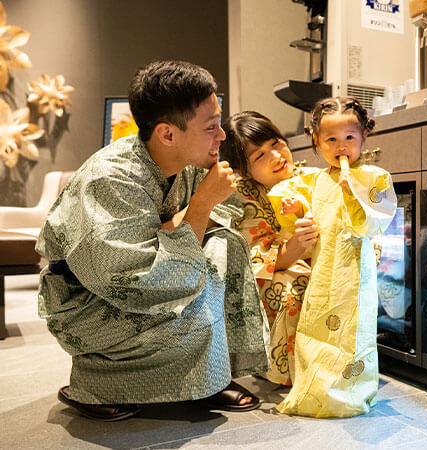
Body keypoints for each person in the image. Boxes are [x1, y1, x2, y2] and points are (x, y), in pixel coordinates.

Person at [36, 60, 269, 421]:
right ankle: (99, 387)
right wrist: (201, 203)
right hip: (88, 305)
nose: (221, 136)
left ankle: (208, 379)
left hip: (146, 276)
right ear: (167, 133)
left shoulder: (184, 162)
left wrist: (182, 220)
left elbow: (226, 214)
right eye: (211, 127)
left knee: (223, 249)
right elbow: (140, 280)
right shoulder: (110, 179)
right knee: (196, 291)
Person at [268, 96, 397, 417]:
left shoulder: (373, 177)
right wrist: (294, 209)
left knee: (354, 331)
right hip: (323, 269)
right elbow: (300, 211)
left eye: (349, 138)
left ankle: (351, 392)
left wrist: (354, 191)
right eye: (331, 139)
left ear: (363, 137)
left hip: (355, 271)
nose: (341, 146)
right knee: (315, 327)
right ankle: (314, 389)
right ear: (316, 141)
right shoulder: (313, 180)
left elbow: (377, 220)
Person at [219, 111, 318, 386]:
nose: (276, 155)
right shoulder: (242, 195)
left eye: (276, 143)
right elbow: (263, 260)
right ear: (244, 169)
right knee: (294, 288)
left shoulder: (310, 178)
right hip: (267, 275)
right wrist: (299, 242)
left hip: (317, 258)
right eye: (259, 155)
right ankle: (290, 371)